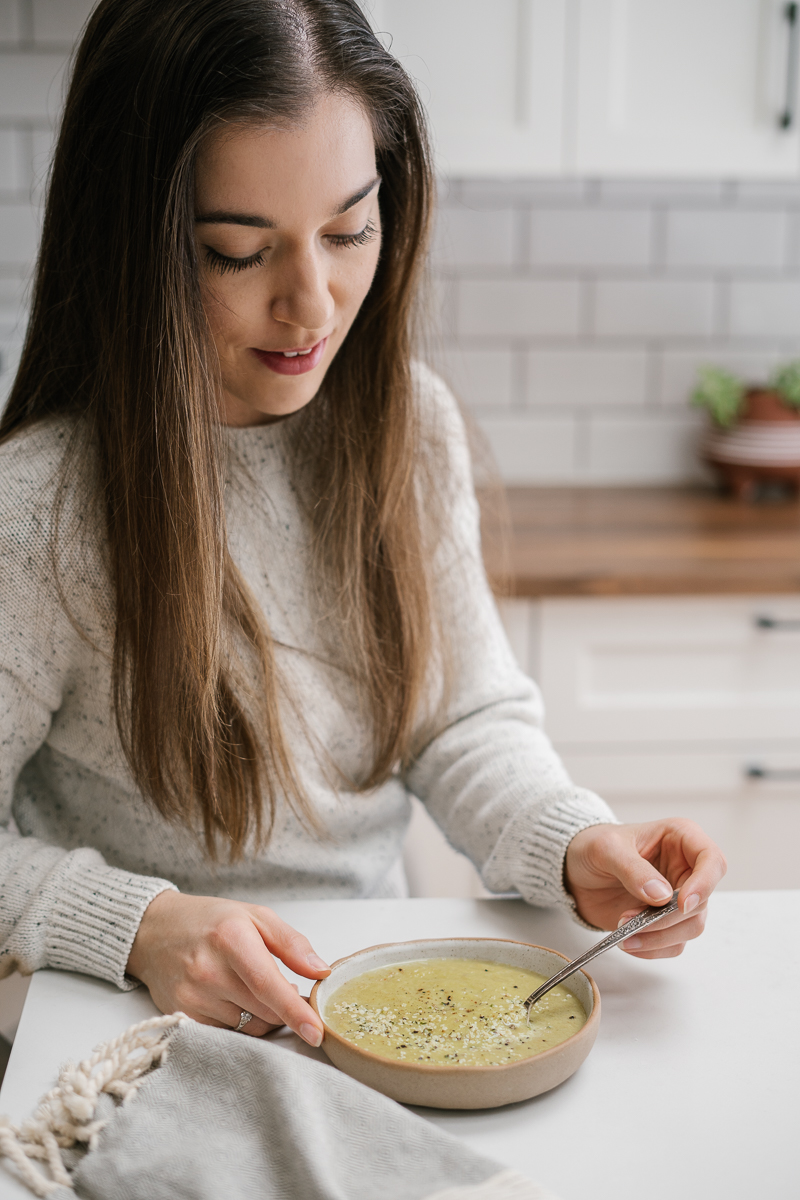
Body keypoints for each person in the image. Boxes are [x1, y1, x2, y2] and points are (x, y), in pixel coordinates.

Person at [0, 0, 725, 1049]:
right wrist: (143, 928)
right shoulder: (35, 509)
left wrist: (574, 843)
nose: (314, 305)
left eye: (348, 230)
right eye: (237, 254)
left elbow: (458, 719)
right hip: (126, 1032)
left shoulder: (407, 427)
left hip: (374, 995)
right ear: (133, 246)